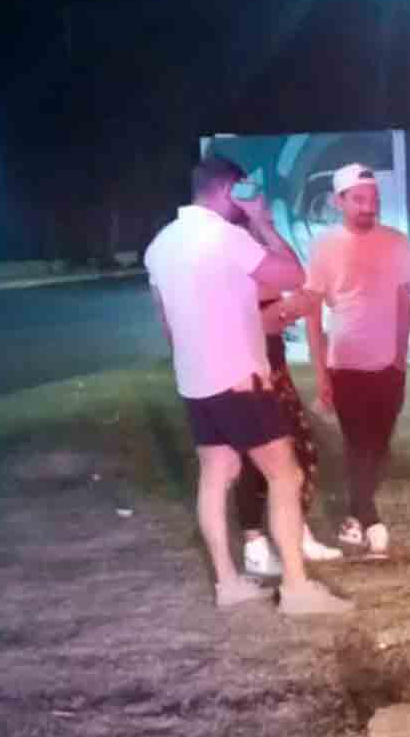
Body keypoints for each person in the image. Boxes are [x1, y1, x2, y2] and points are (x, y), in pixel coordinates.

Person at [143, 157, 353, 615]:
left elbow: (167, 324)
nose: (247, 200)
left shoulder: (159, 246)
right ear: (229, 190)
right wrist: (261, 221)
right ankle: (297, 589)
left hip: (195, 382)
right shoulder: (227, 236)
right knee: (286, 474)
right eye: (244, 191)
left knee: (215, 476)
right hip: (240, 377)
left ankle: (228, 583)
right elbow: (294, 275)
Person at [303, 163, 410, 558]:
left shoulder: (397, 242)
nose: (369, 207)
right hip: (346, 363)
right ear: (339, 202)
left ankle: (359, 515)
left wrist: (401, 357)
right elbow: (313, 313)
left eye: (374, 200)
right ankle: (366, 519)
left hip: (390, 365)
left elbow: (404, 303)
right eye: (359, 199)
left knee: (380, 446)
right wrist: (321, 374)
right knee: (357, 444)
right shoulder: (324, 246)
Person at [236, 280, 341, 577]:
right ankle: (257, 546)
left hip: (270, 371)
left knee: (299, 454)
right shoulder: (231, 271)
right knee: (253, 460)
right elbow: (289, 271)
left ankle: (294, 533)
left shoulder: (246, 263)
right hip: (248, 375)